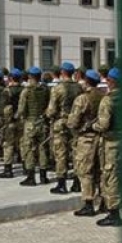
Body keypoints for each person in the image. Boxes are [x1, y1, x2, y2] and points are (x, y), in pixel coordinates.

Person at [91, 68, 122, 226]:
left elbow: (103, 124)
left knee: (111, 177)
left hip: (112, 142)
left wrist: (93, 126)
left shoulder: (108, 100)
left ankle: (114, 213)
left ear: (111, 82)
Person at [67, 69, 106, 217]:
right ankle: (104, 202)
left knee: (85, 171)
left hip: (86, 139)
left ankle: (88, 204)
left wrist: (72, 126)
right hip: (101, 137)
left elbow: (73, 121)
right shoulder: (103, 96)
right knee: (100, 170)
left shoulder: (82, 98)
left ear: (86, 81)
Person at [46, 62, 84, 193]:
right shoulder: (79, 87)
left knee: (61, 153)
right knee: (75, 153)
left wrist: (49, 115)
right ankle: (77, 183)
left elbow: (51, 110)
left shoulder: (58, 88)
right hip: (75, 123)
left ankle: (61, 184)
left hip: (61, 123)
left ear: (62, 72)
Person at [17, 67, 51, 186]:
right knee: (42, 149)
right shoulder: (45, 89)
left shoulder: (26, 91)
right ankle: (43, 176)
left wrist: (22, 118)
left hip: (30, 123)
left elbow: (21, 109)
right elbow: (49, 106)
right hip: (42, 123)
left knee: (29, 150)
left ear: (30, 77)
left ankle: (31, 177)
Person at [0, 69, 25, 179]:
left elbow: (1, 109)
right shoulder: (24, 90)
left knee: (8, 145)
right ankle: (26, 167)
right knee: (22, 144)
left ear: (11, 78)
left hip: (10, 121)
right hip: (22, 120)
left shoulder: (6, 91)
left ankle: (8, 169)